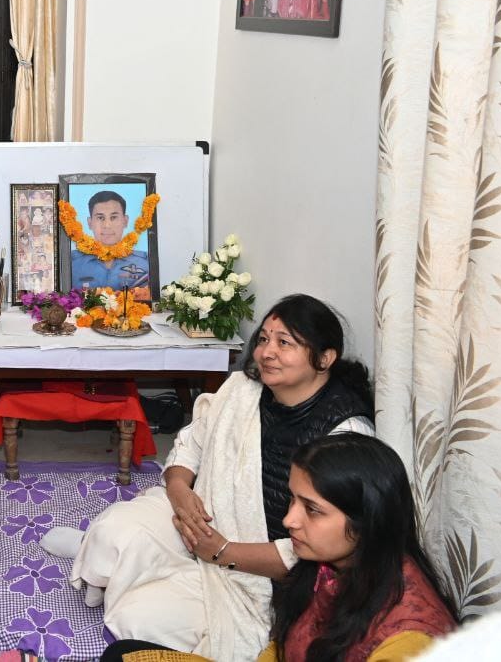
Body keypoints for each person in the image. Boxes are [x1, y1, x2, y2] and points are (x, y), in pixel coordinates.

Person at [42, 294, 375, 660]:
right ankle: (103, 556)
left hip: (257, 571)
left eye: (285, 343)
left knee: (138, 618)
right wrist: (179, 490)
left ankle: (121, 570)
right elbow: (192, 442)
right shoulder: (244, 388)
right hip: (200, 515)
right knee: (111, 531)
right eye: (264, 339)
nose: (267, 352)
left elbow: (326, 546)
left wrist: (221, 551)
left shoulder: (345, 435)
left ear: (325, 358)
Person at [100, 433, 457, 661]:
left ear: (368, 520)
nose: (289, 520)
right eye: (293, 500)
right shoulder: (330, 566)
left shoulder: (410, 641)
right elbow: (282, 646)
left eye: (312, 510)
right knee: (124, 655)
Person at [69, 190, 151, 297]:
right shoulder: (71, 263)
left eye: (114, 217)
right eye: (100, 218)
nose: (107, 225)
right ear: (90, 223)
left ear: (125, 221)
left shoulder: (145, 262)